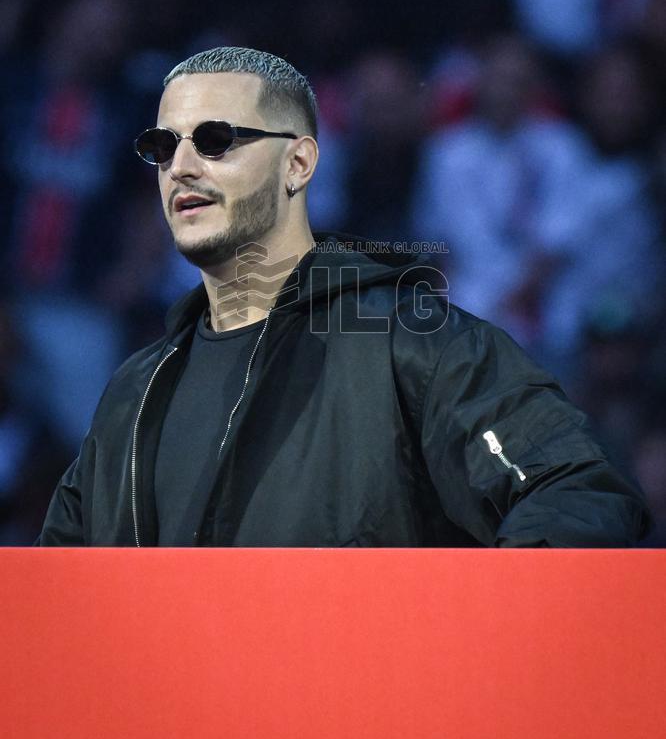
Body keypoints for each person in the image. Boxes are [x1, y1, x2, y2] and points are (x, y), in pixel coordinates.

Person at [36, 46, 651, 548]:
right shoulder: (135, 392)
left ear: (298, 164)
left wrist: (473, 655)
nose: (181, 167)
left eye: (216, 139)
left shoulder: (411, 343)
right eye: (162, 148)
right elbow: (57, 600)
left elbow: (573, 493)